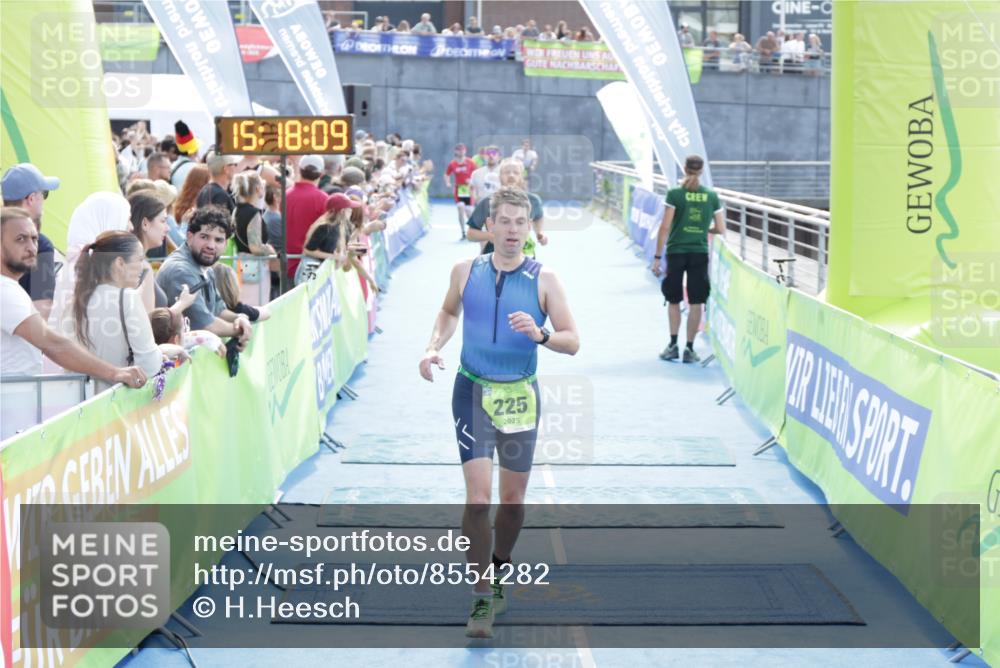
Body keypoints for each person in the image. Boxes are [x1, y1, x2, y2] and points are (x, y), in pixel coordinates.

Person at [419, 187, 580, 638]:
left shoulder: (545, 279)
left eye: (520, 222)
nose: (512, 230)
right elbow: (447, 312)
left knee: (512, 502)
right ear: (488, 226)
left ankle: (499, 566)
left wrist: (541, 335)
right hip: (471, 389)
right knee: (477, 498)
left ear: (529, 228)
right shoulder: (464, 270)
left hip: (519, 395)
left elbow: (572, 341)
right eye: (504, 221)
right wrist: (432, 347)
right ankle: (481, 595)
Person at [1, 208, 147, 411]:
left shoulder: (9, 288)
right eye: (20, 239)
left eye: (34, 238)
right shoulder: (5, 290)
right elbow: (52, 344)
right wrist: (115, 373)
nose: (31, 247)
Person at [70, 231, 188, 392]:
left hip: (75, 399)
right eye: (139, 259)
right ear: (120, 263)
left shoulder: (77, 297)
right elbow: (148, 365)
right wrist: (163, 352)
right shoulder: (128, 298)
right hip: (112, 398)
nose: (143, 266)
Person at [650, 155, 725, 363]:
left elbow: (665, 227)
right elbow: (721, 228)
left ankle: (673, 345)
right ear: (702, 171)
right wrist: (704, 230)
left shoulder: (675, 194)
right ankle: (689, 349)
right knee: (696, 301)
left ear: (684, 168)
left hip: (676, 251)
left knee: (673, 299)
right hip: (699, 252)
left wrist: (657, 257)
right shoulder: (711, 196)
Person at [155, 206, 253, 348]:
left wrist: (239, 318)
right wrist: (240, 330)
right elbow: (206, 325)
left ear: (226, 244)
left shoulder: (204, 265)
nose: (211, 245)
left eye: (218, 240)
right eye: (204, 237)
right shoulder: (181, 271)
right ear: (190, 237)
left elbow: (218, 310)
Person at [48, 192, 132, 337]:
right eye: (127, 219)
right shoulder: (93, 270)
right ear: (110, 221)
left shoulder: (78, 264)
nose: (131, 227)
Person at [1, 163, 60, 321]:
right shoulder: (41, 245)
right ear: (31, 199)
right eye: (44, 194)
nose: (44, 201)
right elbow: (41, 313)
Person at [466, 159, 546, 257]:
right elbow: (470, 234)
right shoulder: (488, 202)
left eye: (516, 172)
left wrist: (539, 233)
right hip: (495, 257)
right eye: (507, 172)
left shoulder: (534, 201)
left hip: (525, 257)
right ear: (499, 177)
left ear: (522, 177)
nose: (511, 175)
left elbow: (538, 217)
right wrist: (492, 236)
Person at [230, 170, 276, 305]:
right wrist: (270, 251)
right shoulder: (253, 213)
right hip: (253, 266)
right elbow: (255, 247)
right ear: (257, 189)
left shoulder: (237, 210)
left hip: (241, 263)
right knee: (255, 304)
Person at [294, 194, 356, 285]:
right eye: (349, 209)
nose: (351, 211)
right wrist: (334, 256)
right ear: (342, 211)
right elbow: (308, 250)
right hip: (312, 270)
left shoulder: (340, 226)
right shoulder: (324, 227)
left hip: (323, 273)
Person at [285, 155, 330, 279]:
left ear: (300, 170)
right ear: (321, 174)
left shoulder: (286, 195)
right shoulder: (323, 199)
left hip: (287, 263)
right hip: (312, 265)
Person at [127, 192, 171, 310]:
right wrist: (180, 306)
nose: (168, 228)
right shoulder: (142, 267)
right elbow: (148, 318)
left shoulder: (131, 262)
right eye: (163, 221)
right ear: (145, 223)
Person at [444, 143, 477, 239]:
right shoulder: (453, 163)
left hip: (469, 189)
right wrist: (448, 182)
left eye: (462, 150)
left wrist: (471, 181)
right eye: (459, 150)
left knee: (469, 212)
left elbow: (477, 173)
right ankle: (463, 232)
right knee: (460, 208)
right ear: (456, 151)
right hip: (459, 189)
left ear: (465, 151)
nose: (461, 152)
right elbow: (446, 174)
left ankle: (473, 229)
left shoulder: (470, 162)